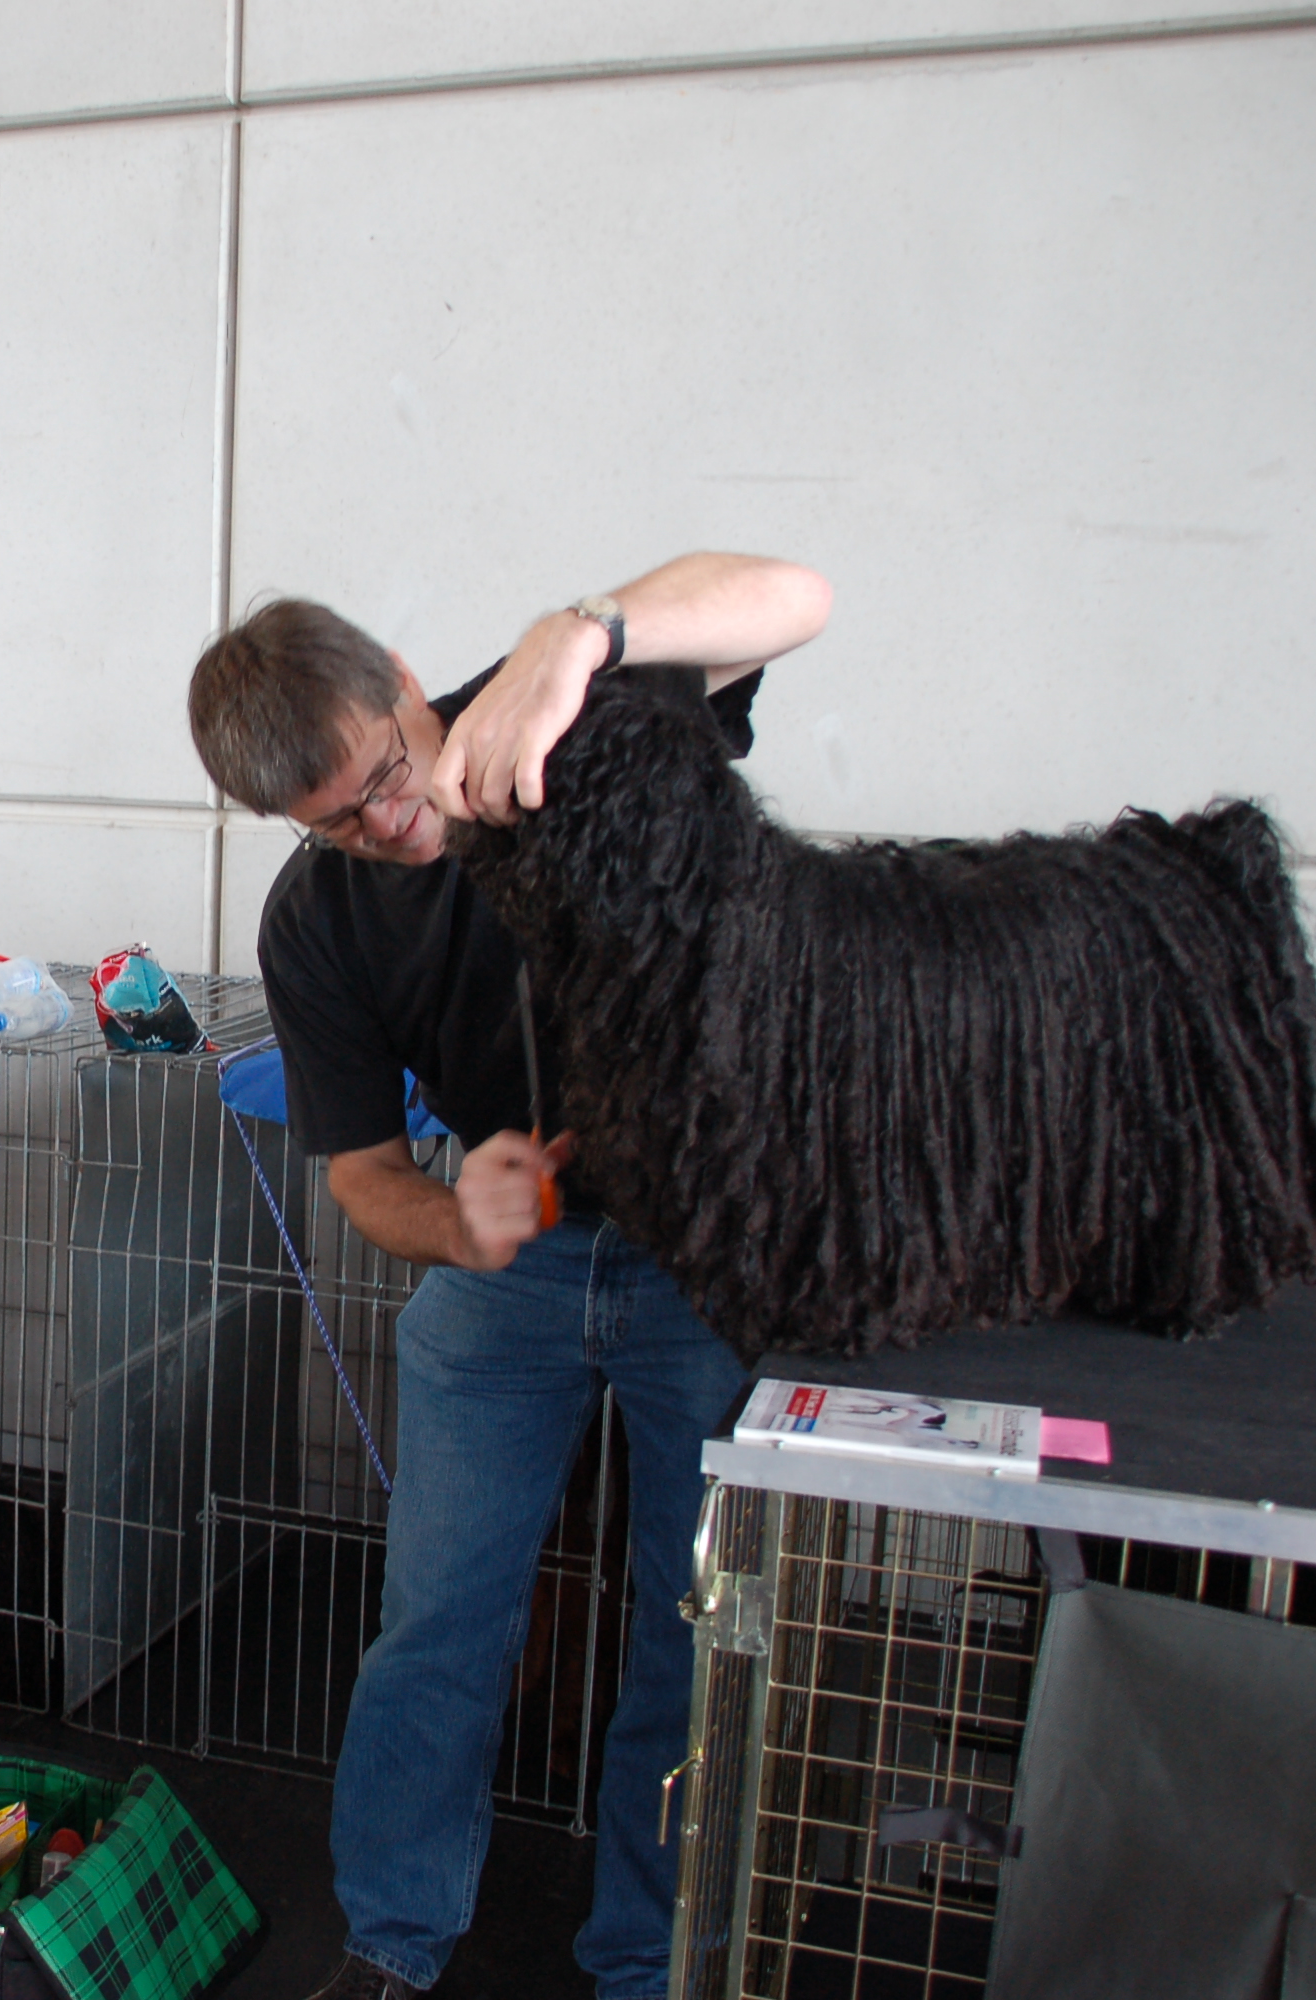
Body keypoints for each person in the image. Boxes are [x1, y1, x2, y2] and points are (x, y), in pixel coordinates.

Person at [186, 552, 831, 2000]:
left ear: (406, 686)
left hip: (702, 1247)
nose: (385, 823)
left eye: (383, 774)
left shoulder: (560, 717)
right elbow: (364, 1178)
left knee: (691, 1628)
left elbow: (798, 596)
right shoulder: (314, 919)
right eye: (334, 821)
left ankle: (649, 1964)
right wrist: (458, 1222)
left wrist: (580, 635)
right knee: (435, 1620)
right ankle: (390, 1941)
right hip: (517, 1267)